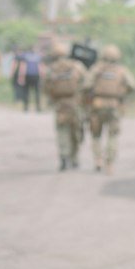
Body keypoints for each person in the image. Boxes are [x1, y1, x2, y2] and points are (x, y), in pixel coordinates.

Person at [83, 44, 135, 174]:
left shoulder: (96, 69)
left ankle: (98, 160)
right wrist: (122, 92)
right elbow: (133, 85)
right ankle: (110, 163)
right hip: (115, 106)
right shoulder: (122, 71)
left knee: (96, 135)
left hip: (97, 105)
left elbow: (86, 85)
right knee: (112, 135)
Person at [44, 40, 88, 171]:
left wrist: (52, 99)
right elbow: (86, 83)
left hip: (60, 105)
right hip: (76, 104)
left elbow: (46, 87)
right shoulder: (77, 66)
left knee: (62, 131)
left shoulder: (51, 69)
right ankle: (74, 158)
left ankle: (64, 156)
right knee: (76, 132)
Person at [19, 45, 43, 112]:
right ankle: (38, 108)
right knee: (37, 92)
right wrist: (41, 76)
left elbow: (23, 67)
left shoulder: (25, 56)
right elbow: (40, 67)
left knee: (26, 92)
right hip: (36, 76)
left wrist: (21, 77)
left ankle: (26, 108)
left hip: (27, 75)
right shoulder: (38, 57)